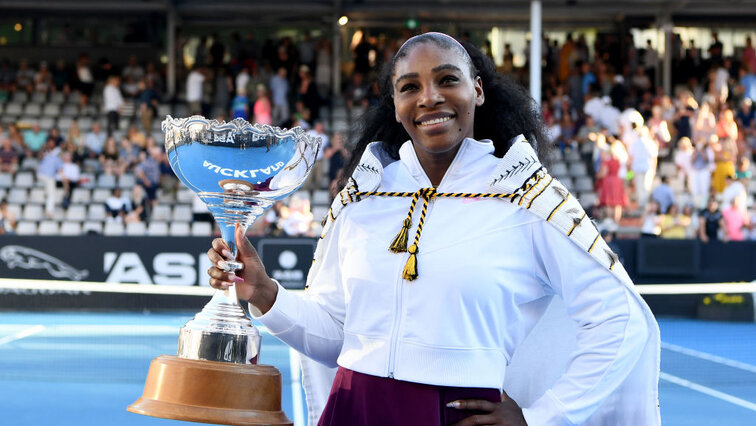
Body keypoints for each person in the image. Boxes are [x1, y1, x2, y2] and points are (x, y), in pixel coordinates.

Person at [205, 32, 660, 426]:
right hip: (353, 409)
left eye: (447, 80)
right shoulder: (364, 198)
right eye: (410, 87)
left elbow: (620, 321)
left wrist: (544, 416)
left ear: (477, 91)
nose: (429, 98)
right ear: (397, 105)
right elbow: (341, 338)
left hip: (459, 414)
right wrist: (264, 293)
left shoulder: (525, 196)